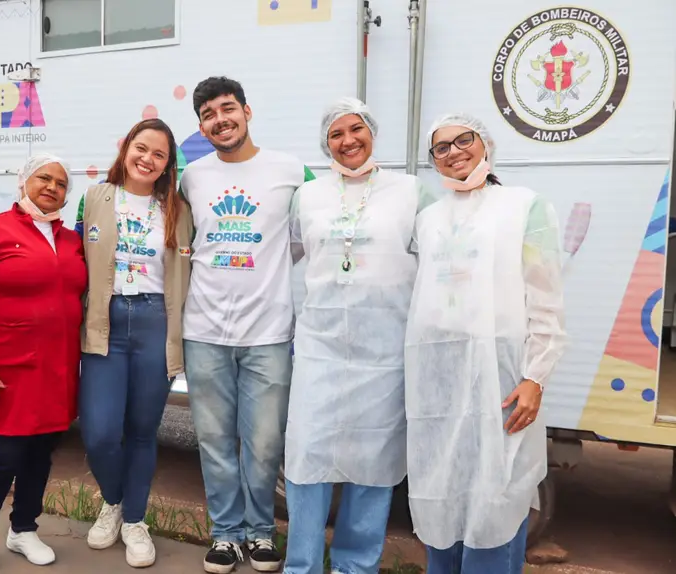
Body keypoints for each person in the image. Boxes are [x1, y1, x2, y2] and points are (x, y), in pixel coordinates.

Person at [404, 113, 567, 574]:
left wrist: (536, 375)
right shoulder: (430, 219)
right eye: (441, 147)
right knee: (443, 491)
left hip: (504, 380)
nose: (454, 151)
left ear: (486, 143)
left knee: (498, 492)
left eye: (464, 140)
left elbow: (546, 299)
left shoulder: (523, 206)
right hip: (439, 385)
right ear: (433, 161)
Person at [282, 97, 433, 574]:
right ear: (325, 142)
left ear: (372, 131)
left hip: (384, 349)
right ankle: (302, 565)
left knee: (376, 460)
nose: (347, 141)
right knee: (307, 456)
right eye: (336, 134)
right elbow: (286, 256)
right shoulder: (307, 196)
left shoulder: (411, 192)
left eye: (356, 130)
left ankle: (355, 565)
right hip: (318, 346)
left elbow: (439, 262)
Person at [178, 76, 315, 574]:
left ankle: (260, 534)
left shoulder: (292, 170)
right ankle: (226, 535)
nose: (221, 119)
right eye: (209, 114)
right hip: (205, 331)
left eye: (227, 108)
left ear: (247, 111)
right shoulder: (191, 176)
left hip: (269, 332)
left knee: (263, 442)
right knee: (214, 441)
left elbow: (315, 231)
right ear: (201, 126)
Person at [0, 154, 88, 574]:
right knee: (4, 456)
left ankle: (23, 528)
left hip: (59, 369)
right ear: (23, 181)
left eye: (61, 183)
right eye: (43, 178)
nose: (51, 187)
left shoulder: (71, 241)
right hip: (9, 369)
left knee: (41, 454)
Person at [73, 118, 193, 568]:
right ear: (126, 149)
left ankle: (135, 520)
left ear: (167, 165)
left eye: (159, 155)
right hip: (104, 319)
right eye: (141, 149)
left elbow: (189, 271)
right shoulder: (95, 198)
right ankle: (113, 501)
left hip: (153, 321)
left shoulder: (178, 208)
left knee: (143, 431)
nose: (148, 159)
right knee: (100, 432)